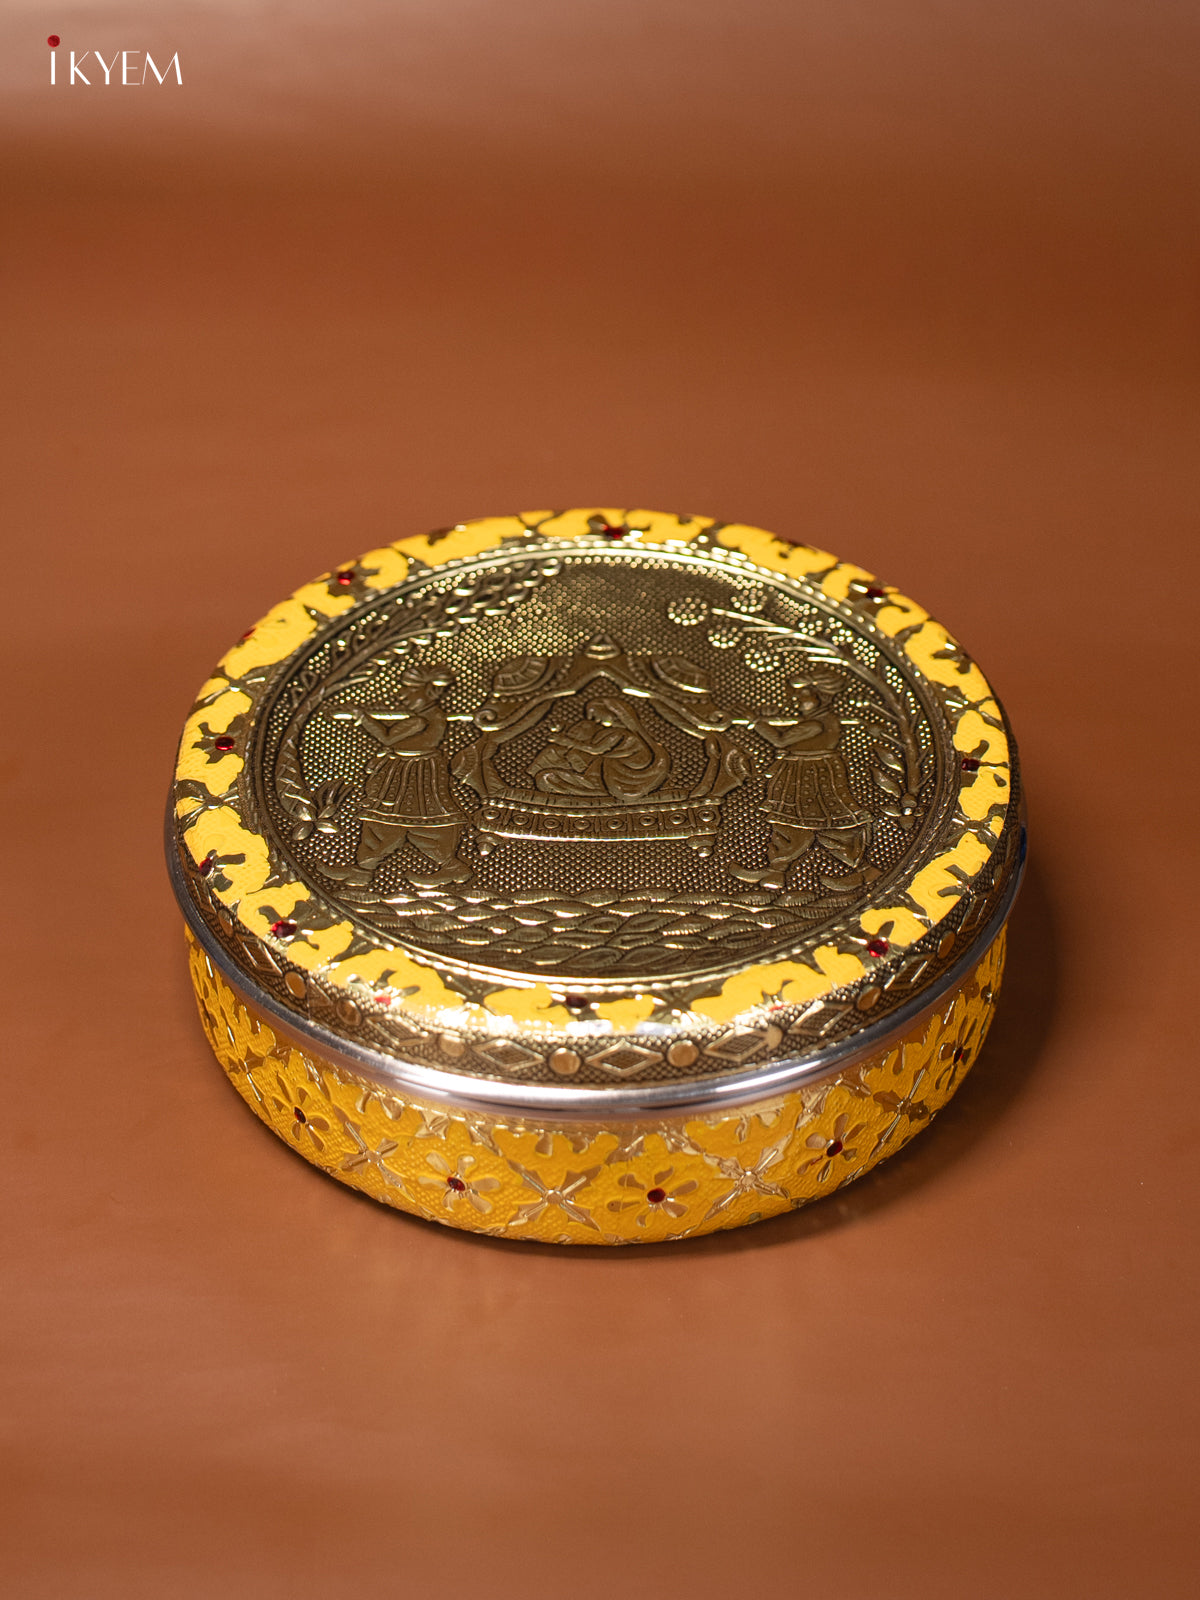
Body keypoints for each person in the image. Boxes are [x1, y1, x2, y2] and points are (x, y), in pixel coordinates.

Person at [326, 662, 470, 889]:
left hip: (415, 774)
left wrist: (361, 716)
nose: (401, 695)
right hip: (403, 771)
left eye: (408, 689)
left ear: (427, 691)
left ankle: (453, 866)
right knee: (383, 819)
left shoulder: (420, 720)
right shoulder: (429, 716)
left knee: (422, 821)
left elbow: (387, 738)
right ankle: (362, 869)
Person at [733, 673, 871, 892]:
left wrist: (755, 722)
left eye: (804, 695)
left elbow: (780, 739)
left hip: (813, 774)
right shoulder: (817, 720)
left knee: (825, 821)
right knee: (790, 821)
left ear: (820, 696)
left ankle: (865, 871)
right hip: (801, 772)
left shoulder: (816, 723)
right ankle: (776, 870)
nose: (797, 700)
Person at [528, 695, 670, 801]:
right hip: (598, 776)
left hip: (618, 782)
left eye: (595, 713)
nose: (593, 717)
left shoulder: (620, 734)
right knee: (546, 776)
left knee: (547, 777)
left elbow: (596, 749)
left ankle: (593, 793)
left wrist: (566, 741)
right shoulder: (604, 732)